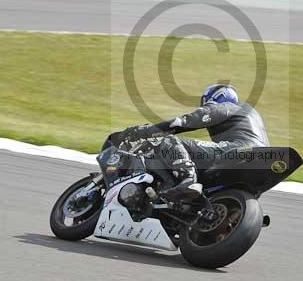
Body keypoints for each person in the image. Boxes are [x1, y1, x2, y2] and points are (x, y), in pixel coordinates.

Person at [114, 84, 269, 200]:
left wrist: (144, 131)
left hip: (237, 151)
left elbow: (184, 122)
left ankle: (187, 177)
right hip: (261, 163)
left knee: (168, 140)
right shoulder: (252, 116)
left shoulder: (227, 107)